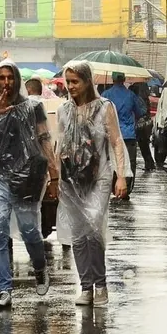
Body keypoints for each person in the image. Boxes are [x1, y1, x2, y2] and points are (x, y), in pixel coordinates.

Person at [0, 59, 59, 310]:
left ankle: (40, 267)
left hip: (27, 179)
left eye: (10, 77)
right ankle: (4, 290)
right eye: (2, 78)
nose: (6, 82)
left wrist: (54, 175)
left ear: (17, 79)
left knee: (29, 231)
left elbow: (44, 139)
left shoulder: (33, 107)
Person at [55, 61, 133, 307]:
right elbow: (61, 144)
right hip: (71, 180)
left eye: (75, 81)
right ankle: (86, 287)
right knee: (78, 236)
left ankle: (101, 285)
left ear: (88, 81)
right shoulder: (64, 110)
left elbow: (117, 142)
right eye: (68, 82)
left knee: (93, 231)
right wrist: (56, 178)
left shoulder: (104, 108)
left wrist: (121, 176)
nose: (71, 86)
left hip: (98, 179)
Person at [101, 72, 146, 200]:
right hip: (128, 135)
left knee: (111, 162)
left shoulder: (105, 95)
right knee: (128, 162)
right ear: (124, 79)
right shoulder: (131, 95)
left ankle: (113, 188)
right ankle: (125, 188)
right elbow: (139, 112)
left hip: (110, 135)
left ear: (112, 79)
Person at [129, 82, 157, 171]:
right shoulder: (140, 98)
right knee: (144, 146)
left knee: (142, 145)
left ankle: (149, 163)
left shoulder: (135, 99)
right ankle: (149, 163)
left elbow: (142, 111)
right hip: (142, 125)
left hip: (139, 125)